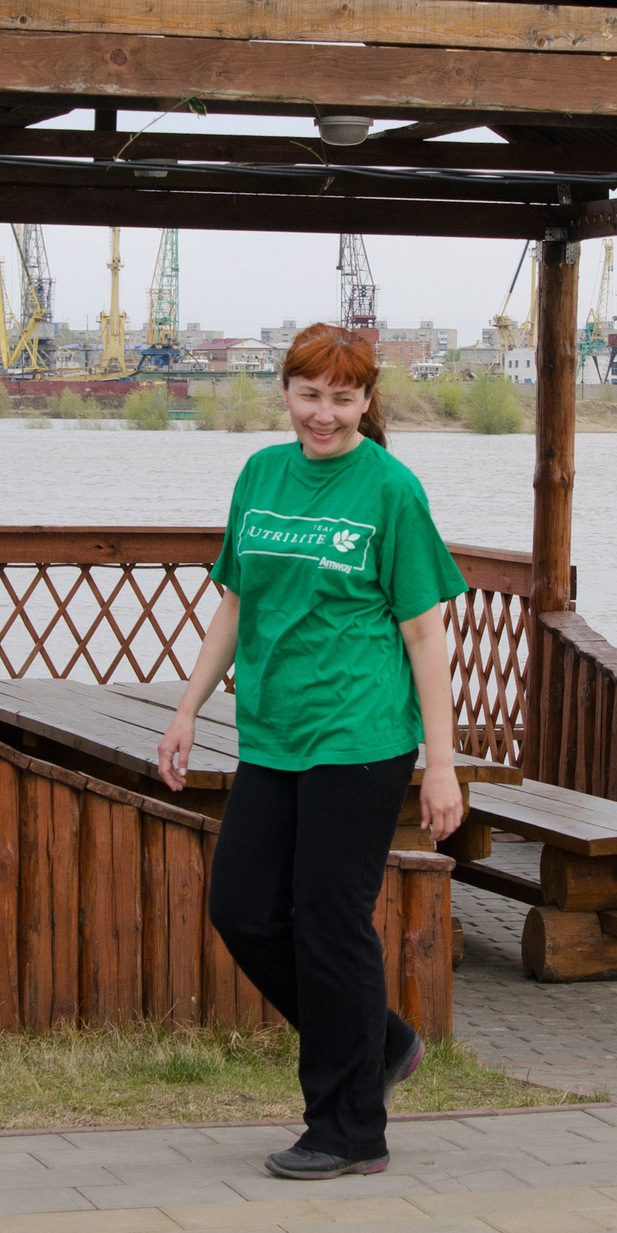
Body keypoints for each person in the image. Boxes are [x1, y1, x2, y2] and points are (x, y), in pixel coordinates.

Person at [154, 323, 468, 1180]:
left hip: (359, 739)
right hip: (272, 736)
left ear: (367, 402)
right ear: (285, 392)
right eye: (308, 395)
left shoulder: (391, 491)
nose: (322, 415)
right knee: (244, 908)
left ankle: (348, 1127)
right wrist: (186, 710)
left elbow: (425, 633)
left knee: (331, 924)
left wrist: (441, 764)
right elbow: (233, 603)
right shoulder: (260, 475)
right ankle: (385, 1040)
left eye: (341, 398)